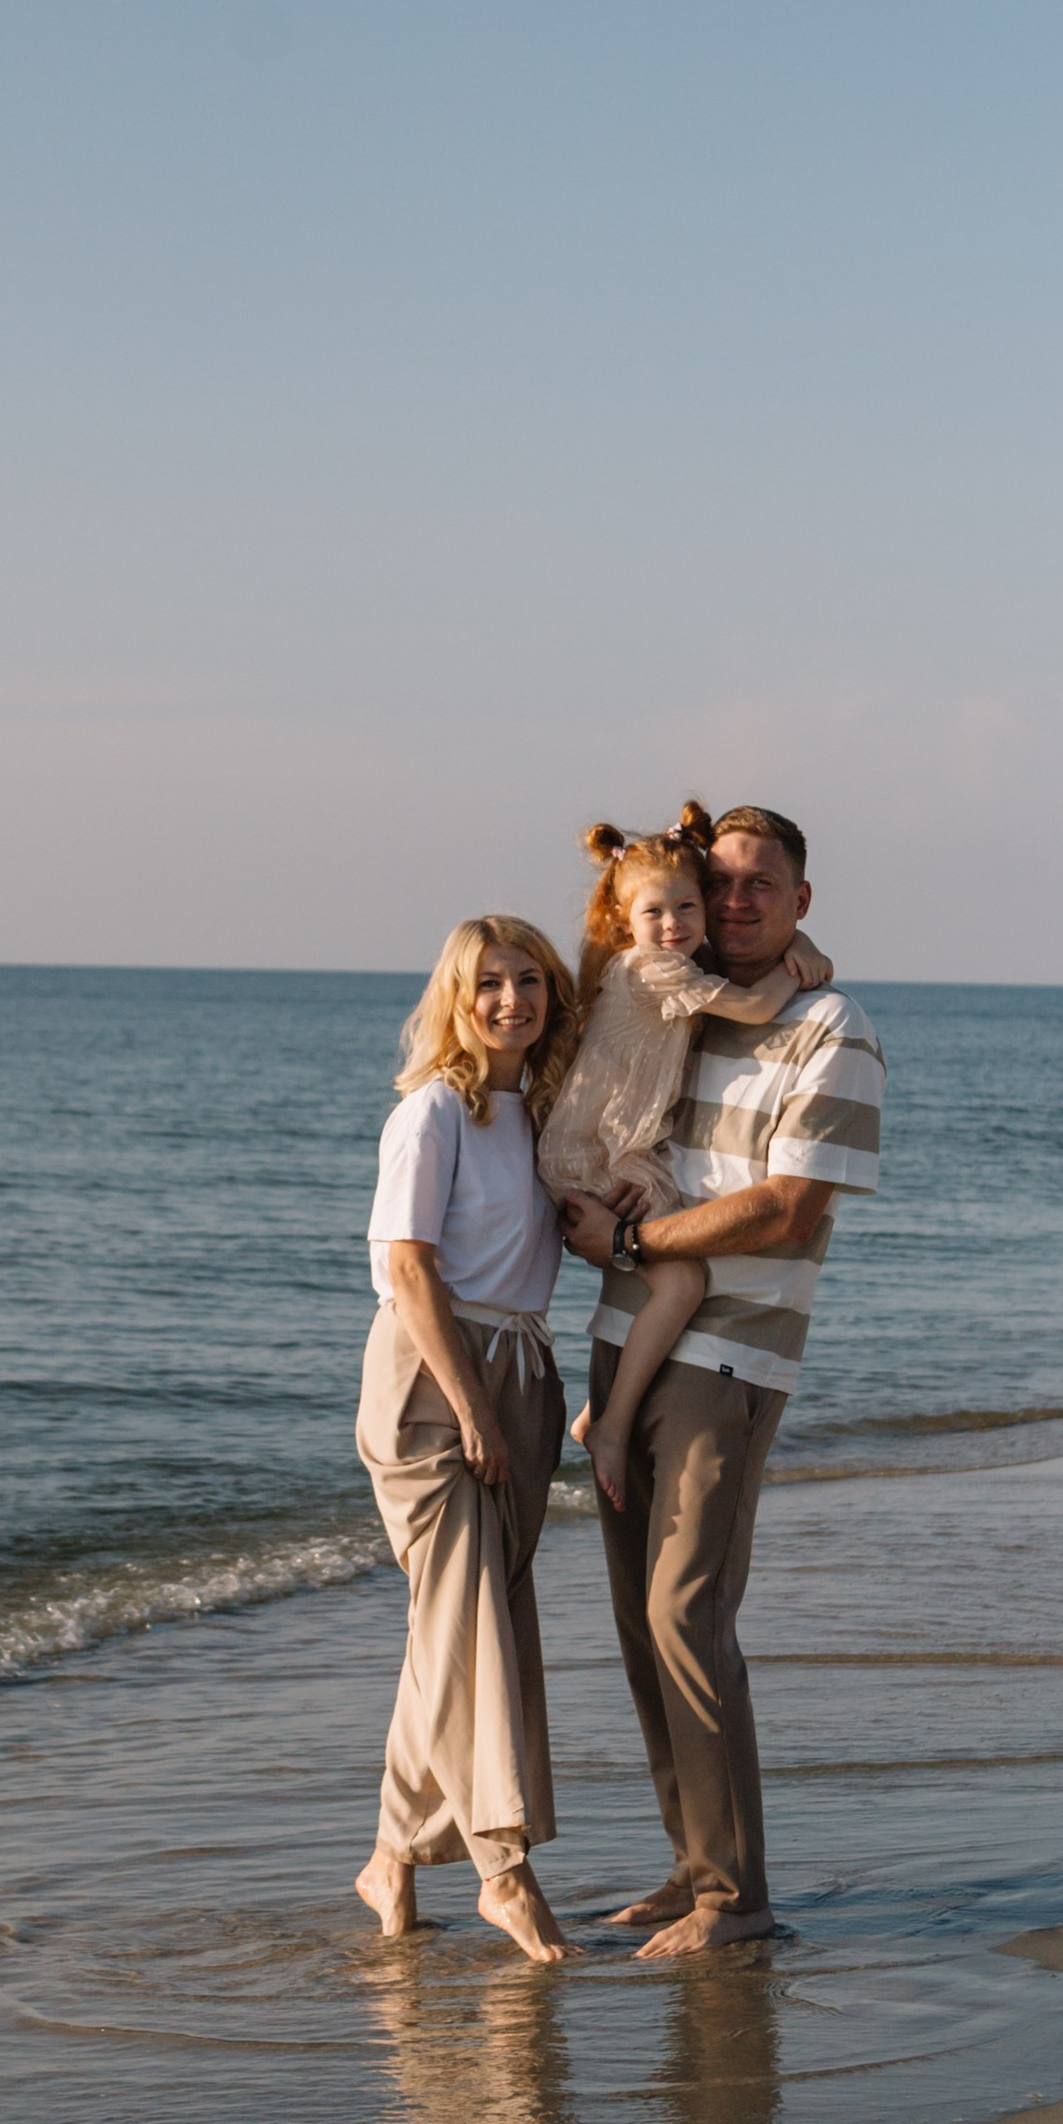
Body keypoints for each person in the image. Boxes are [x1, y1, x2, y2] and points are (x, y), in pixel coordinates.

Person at [556, 806, 883, 1961]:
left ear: (800, 899)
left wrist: (632, 1245)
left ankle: (737, 1900)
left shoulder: (831, 1027)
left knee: (684, 1614)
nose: (736, 902)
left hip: (728, 1350)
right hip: (622, 1334)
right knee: (637, 1622)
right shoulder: (682, 997)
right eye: (722, 883)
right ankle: (693, 1866)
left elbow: (788, 1207)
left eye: (761, 885)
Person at [355, 914, 582, 1965]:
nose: (510, 1000)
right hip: (434, 1380)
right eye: (488, 982)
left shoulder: (542, 1116)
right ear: (456, 996)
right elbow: (409, 1270)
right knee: (470, 1625)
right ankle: (503, 1870)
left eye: (528, 979)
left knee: (450, 1631)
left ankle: (390, 1857)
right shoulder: (433, 1112)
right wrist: (475, 1410)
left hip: (521, 1370)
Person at [537, 805, 831, 1512]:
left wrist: (799, 934)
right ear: (624, 920)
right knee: (684, 1281)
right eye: (654, 912)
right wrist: (800, 963)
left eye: (687, 906)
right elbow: (755, 1007)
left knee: (674, 1276)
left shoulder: (667, 964)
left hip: (602, 1146)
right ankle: (609, 1423)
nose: (673, 924)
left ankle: (604, 1407)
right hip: (596, 1154)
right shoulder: (651, 968)